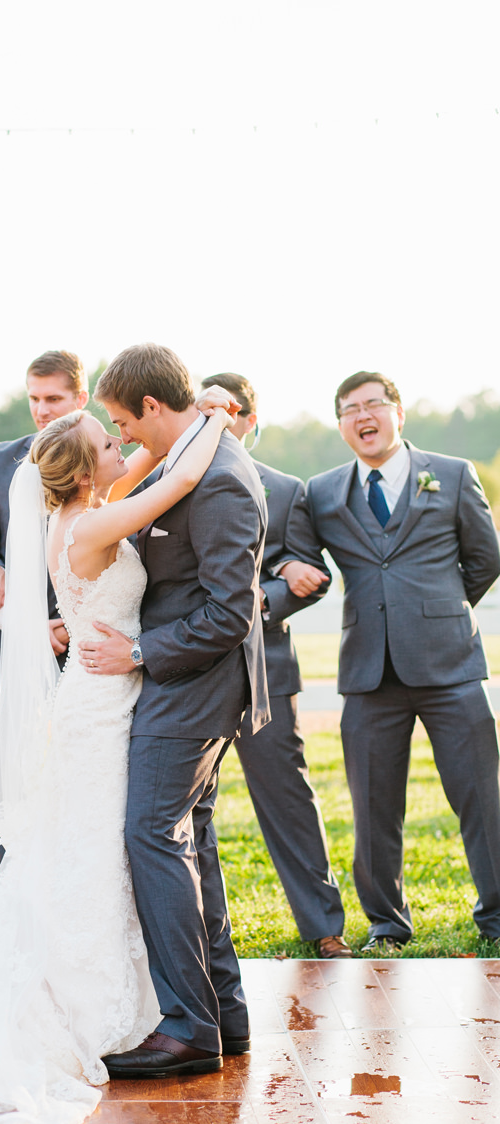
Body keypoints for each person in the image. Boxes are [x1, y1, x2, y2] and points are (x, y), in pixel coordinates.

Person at [0, 388, 238, 1124]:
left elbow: (146, 459)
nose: (122, 445)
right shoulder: (93, 523)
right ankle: (85, 1006)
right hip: (102, 708)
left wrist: (182, 425)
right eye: (108, 445)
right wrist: (213, 423)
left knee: (96, 848)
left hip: (100, 693)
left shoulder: (82, 509)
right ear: (84, 475)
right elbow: (170, 479)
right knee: (98, 850)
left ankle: (144, 997)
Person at [79, 344, 269, 1079]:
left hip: (194, 688)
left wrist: (138, 654)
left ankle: (188, 1027)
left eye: (125, 420)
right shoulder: (191, 453)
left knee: (150, 835)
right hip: (188, 685)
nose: (121, 435)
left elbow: (229, 613)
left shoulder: (217, 478)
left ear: (155, 407)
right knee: (192, 841)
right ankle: (225, 1014)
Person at [304, 370, 500, 951]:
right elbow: (297, 554)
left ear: (397, 412)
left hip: (451, 667)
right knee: (373, 808)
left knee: (480, 799)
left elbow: (485, 558)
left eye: (372, 405)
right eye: (349, 410)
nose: (362, 417)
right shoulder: (322, 492)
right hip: (368, 673)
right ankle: (387, 924)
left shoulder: (453, 475)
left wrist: (439, 608)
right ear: (341, 424)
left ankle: (497, 916)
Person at [202, 371, 351, 959]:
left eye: (229, 413)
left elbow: (308, 571)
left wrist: (270, 592)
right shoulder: (171, 478)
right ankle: (195, 932)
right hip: (187, 670)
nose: (218, 423)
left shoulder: (287, 490)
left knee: (288, 797)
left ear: (249, 422)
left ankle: (323, 925)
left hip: (267, 665)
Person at [0, 350, 88, 866]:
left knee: (84, 774)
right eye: (33, 398)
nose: (41, 410)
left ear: (80, 397)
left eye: (53, 398)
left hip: (89, 647)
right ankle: (16, 891)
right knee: (13, 772)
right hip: (6, 647)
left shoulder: (107, 456)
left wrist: (73, 625)